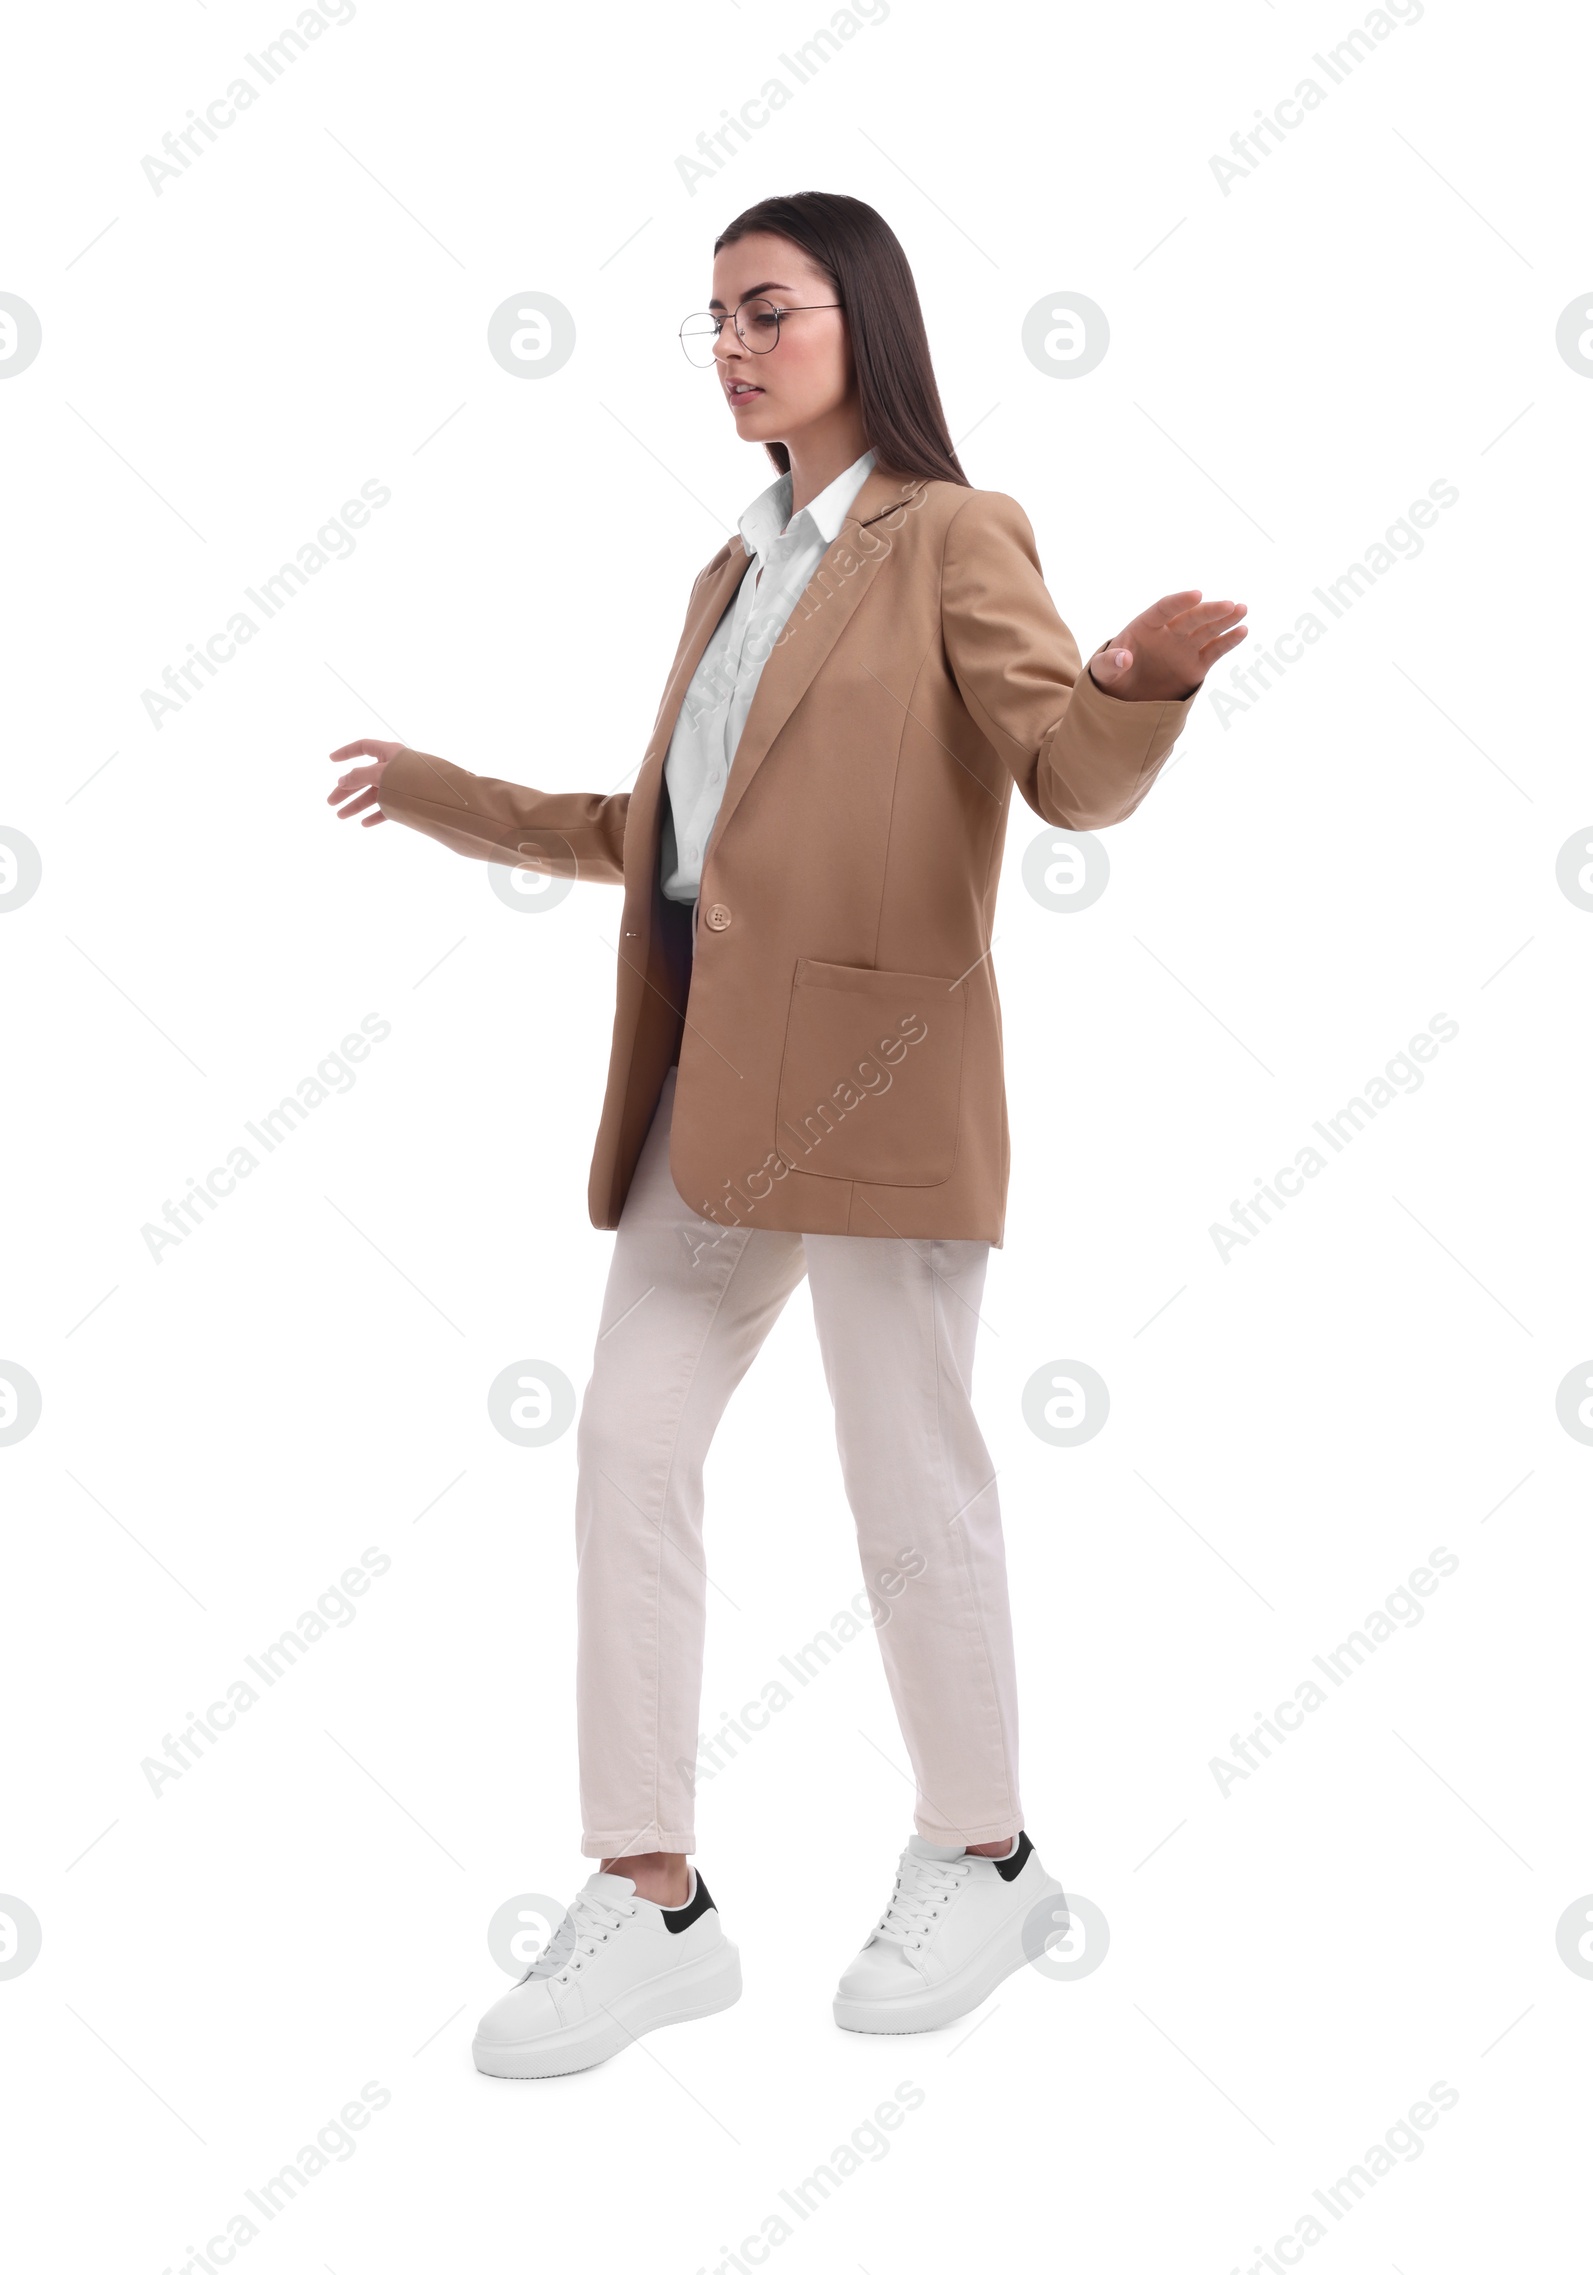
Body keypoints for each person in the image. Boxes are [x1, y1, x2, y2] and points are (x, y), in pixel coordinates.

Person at [328, 190, 1247, 2080]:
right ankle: (651, 1894)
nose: (735, 346)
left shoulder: (953, 534)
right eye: (717, 319)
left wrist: (1143, 686)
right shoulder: (734, 569)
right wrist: (440, 796)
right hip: (702, 1097)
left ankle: (983, 1855)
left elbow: (1063, 773)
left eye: (769, 310)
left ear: (865, 324)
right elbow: (658, 837)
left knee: (908, 1476)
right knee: (628, 1452)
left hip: (883, 1085)